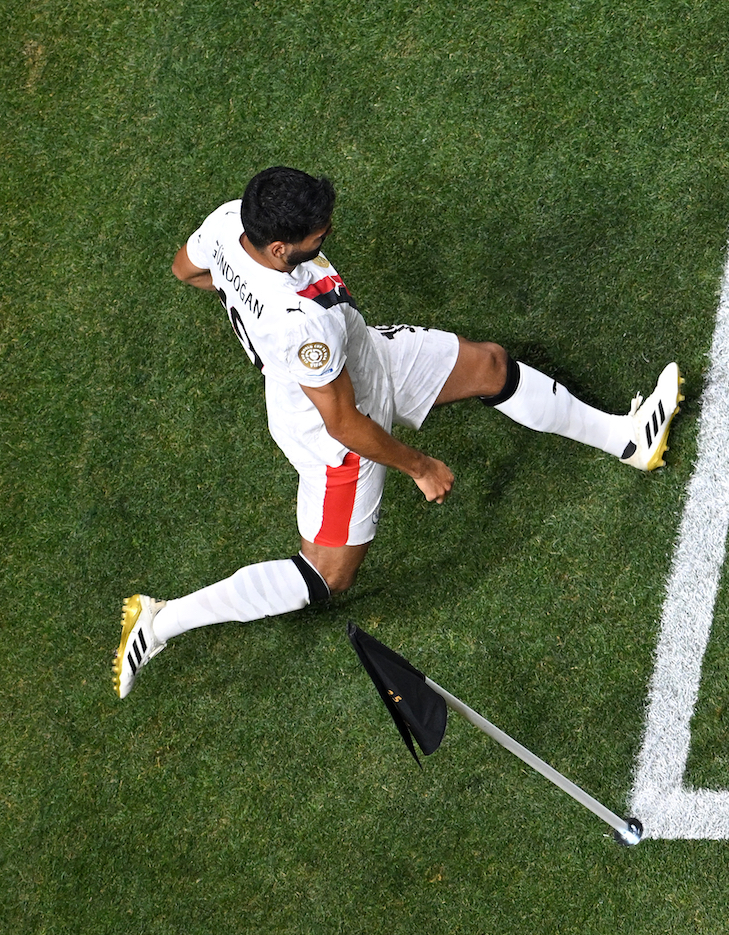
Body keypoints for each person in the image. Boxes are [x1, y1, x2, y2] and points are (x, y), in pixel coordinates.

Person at [112, 166, 682, 698]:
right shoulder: (298, 326)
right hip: (336, 437)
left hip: (366, 355)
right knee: (329, 574)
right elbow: (344, 421)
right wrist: (420, 466)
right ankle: (162, 621)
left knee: (489, 366)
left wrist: (241, 292)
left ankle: (627, 439)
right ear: (280, 248)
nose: (327, 234)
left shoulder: (229, 221)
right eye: (317, 234)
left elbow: (185, 270)